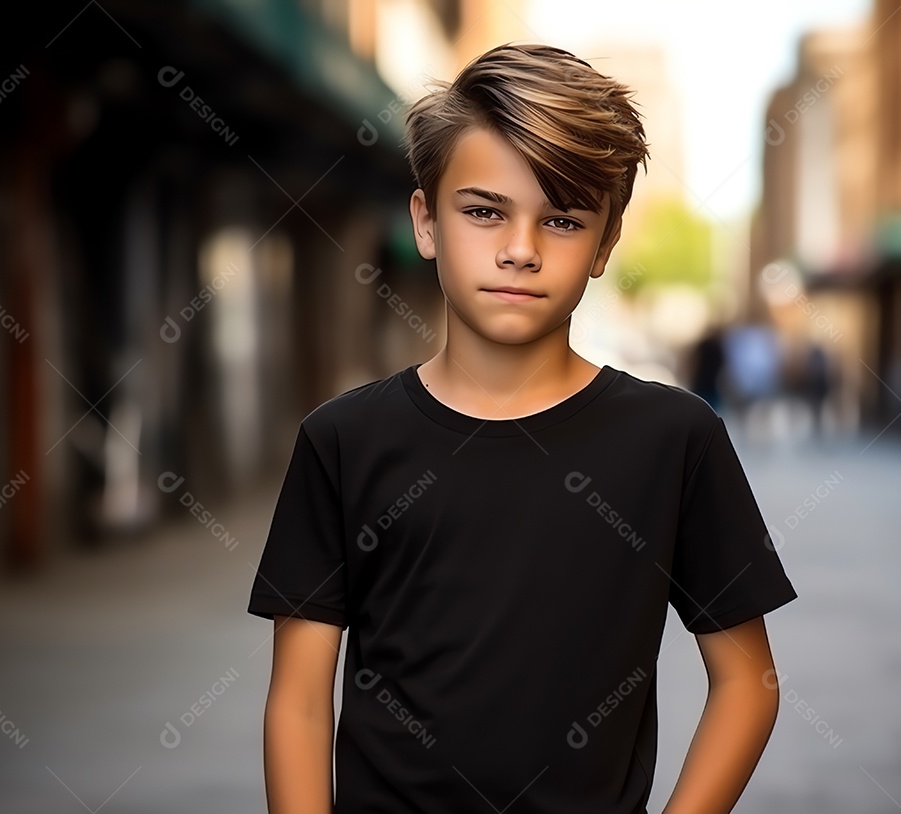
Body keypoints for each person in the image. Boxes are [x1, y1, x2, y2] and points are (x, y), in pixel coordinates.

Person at [247, 42, 798, 814]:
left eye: (563, 220)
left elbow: (748, 681)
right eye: (483, 211)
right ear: (426, 222)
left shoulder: (675, 438)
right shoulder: (342, 441)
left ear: (606, 244)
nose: (519, 250)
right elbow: (298, 702)